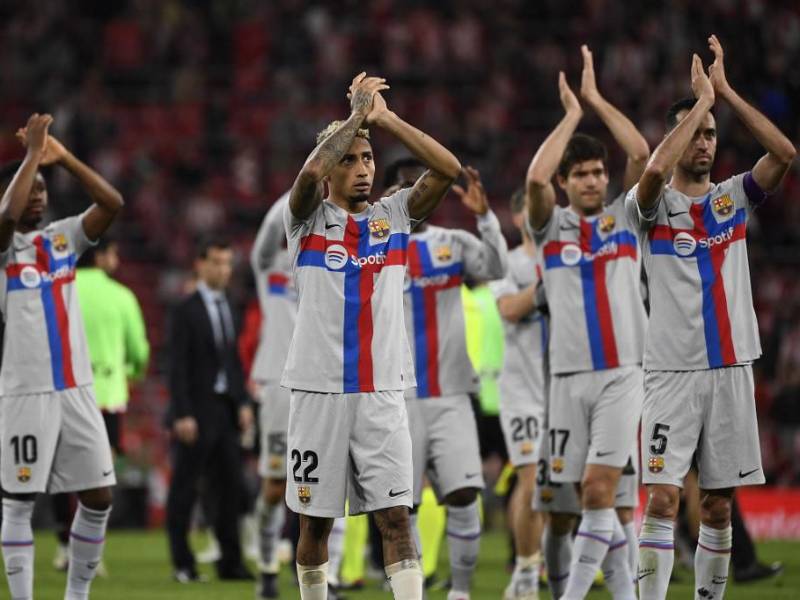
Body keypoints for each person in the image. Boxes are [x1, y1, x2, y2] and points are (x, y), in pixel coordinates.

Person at [627, 36, 795, 599]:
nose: (704, 141)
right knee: (663, 497)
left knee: (719, 503)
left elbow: (784, 155)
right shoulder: (647, 207)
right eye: (695, 133)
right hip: (671, 374)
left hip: (730, 369)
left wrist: (725, 94)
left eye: (710, 134)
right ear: (676, 139)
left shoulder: (732, 200)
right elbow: (653, 172)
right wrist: (699, 104)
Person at [283, 72, 461, 600]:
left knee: (395, 518)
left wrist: (384, 119)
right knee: (315, 525)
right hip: (318, 393)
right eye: (350, 160)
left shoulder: (396, 216)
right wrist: (357, 116)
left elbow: (447, 169)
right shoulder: (305, 221)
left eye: (368, 159)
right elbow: (309, 172)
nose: (362, 169)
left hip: (382, 392)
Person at [525, 46, 650, 599]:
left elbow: (644, 155)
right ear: (567, 184)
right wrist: (571, 116)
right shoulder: (551, 228)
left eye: (599, 172)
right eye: (581, 174)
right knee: (590, 501)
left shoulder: (627, 220)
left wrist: (596, 100)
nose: (595, 181)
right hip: (566, 380)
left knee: (602, 491)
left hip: (623, 374)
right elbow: (533, 181)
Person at [0, 113, 124, 600]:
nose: (38, 195)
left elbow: (111, 202)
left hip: (76, 389)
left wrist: (62, 157)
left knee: (98, 497)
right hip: (25, 392)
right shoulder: (5, 249)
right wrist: (30, 154)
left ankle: (76, 597)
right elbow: (7, 218)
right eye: (30, 189)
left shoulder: (63, 240)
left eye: (42, 189)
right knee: (19, 499)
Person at [403, 164, 508, 600]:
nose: (419, 195)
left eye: (425, 188)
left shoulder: (453, 243)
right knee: (399, 507)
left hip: (451, 396)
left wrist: (486, 219)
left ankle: (460, 592)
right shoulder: (376, 248)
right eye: (410, 189)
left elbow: (497, 267)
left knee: (465, 494)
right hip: (398, 398)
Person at [250, 192, 347, 598]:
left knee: (332, 485)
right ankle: (268, 567)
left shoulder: (327, 263)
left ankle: (333, 575)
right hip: (275, 383)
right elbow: (271, 230)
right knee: (274, 488)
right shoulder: (268, 266)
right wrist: (301, 189)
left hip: (322, 381)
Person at [51, 236, 150, 569]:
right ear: (102, 256)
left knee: (64, 472)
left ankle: (65, 543)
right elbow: (139, 350)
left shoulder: (59, 290)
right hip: (106, 397)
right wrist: (131, 371)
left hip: (64, 393)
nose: (117, 260)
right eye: (114, 253)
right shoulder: (121, 296)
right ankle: (90, 549)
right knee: (98, 477)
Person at [165, 237, 255, 583]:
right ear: (200, 265)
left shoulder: (230, 306)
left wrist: (243, 402)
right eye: (217, 262)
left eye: (228, 263)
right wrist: (181, 412)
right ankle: (183, 563)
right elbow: (176, 365)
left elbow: (233, 361)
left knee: (230, 487)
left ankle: (230, 563)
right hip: (196, 411)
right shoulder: (184, 309)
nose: (223, 269)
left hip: (225, 410)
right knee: (185, 489)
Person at [490, 188, 546, 600]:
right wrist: (550, 283)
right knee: (530, 479)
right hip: (521, 391)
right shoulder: (507, 263)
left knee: (564, 485)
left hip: (565, 386)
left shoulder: (565, 254)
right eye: (532, 204)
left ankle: (554, 563)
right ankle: (525, 569)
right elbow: (509, 308)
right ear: (516, 217)